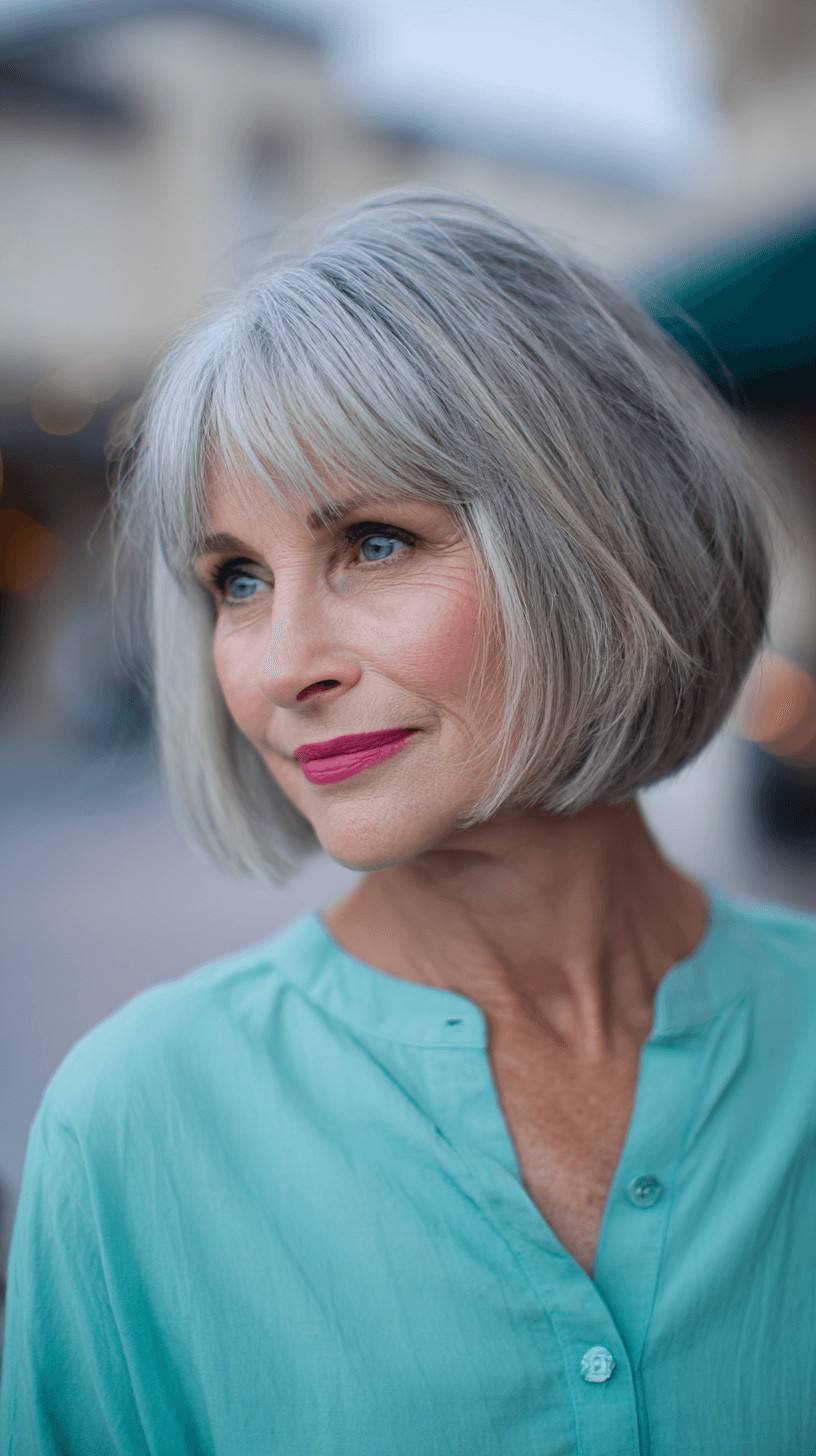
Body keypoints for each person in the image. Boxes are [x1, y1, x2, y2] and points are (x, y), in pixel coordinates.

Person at [2, 189, 815, 1455]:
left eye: (374, 542)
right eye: (238, 580)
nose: (281, 666)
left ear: (603, 539)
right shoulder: (137, 1126)